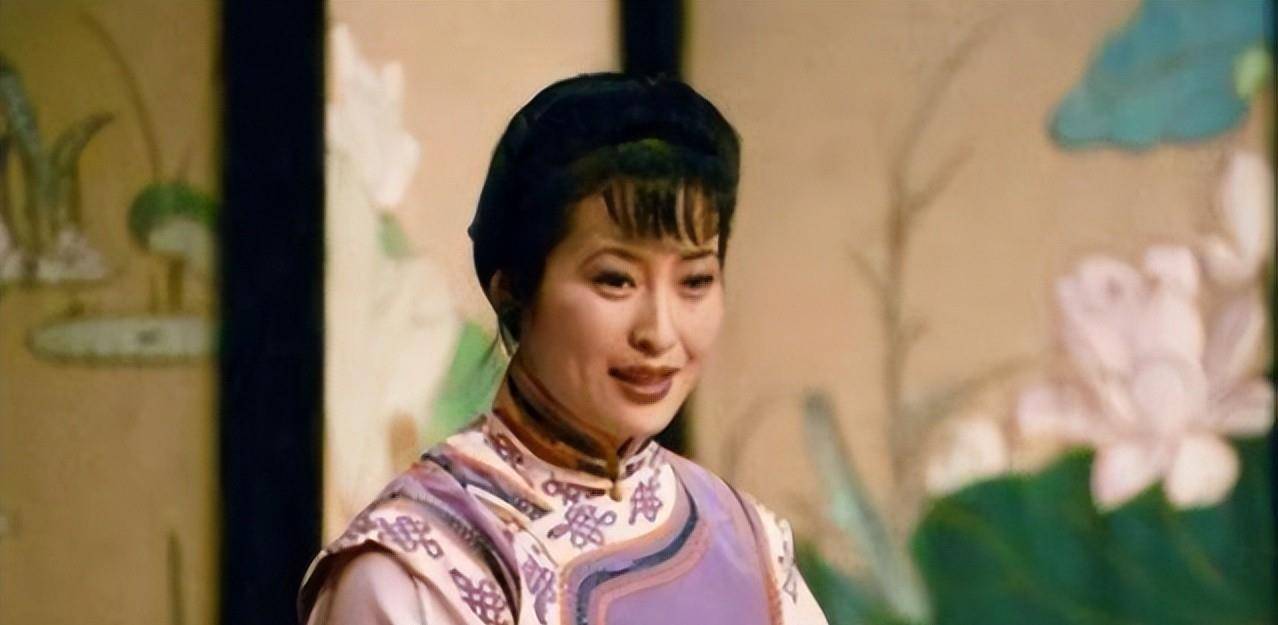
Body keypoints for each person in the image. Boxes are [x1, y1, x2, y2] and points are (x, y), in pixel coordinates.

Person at [298, 73, 830, 625]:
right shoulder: (423, 569)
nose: (659, 332)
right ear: (514, 290)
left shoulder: (749, 545)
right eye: (615, 280)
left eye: (694, 281)